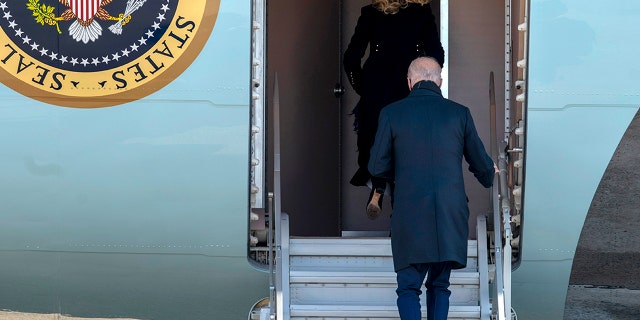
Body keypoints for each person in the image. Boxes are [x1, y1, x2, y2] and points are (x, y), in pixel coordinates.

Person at [368, 57, 496, 320]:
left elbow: (376, 166)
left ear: (409, 82)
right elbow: (482, 164)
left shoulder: (391, 113)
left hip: (410, 213)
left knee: (408, 288)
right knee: (440, 286)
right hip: (450, 213)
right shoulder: (459, 113)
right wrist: (489, 176)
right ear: (440, 81)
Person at [344, 0, 445, 218]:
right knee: (409, 148)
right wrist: (426, 85)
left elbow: (351, 58)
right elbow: (437, 54)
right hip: (411, 89)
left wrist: (363, 87)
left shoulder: (371, 13)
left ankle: (378, 187)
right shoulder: (421, 12)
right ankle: (400, 215)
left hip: (377, 89)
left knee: (379, 139)